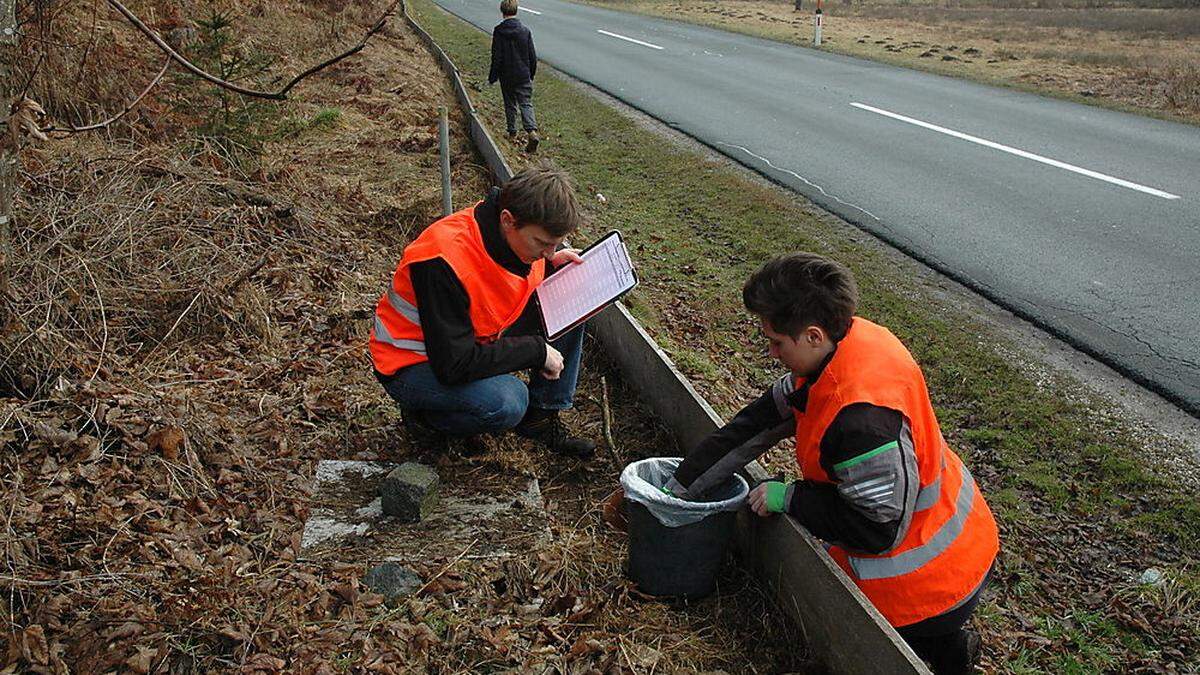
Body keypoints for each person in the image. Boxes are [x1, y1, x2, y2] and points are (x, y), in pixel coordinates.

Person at [664, 253, 999, 674]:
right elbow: (753, 426)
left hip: (929, 574)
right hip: (951, 530)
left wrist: (791, 498)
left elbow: (876, 530)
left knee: (852, 647)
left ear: (812, 335)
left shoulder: (861, 421)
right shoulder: (841, 352)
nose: (770, 352)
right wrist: (678, 489)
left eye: (776, 342)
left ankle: (940, 645)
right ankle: (948, 646)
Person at [369, 162, 595, 457]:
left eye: (555, 244)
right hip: (410, 364)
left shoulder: (517, 237)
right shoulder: (443, 260)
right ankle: (426, 419)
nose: (548, 252)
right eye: (542, 243)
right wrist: (536, 351)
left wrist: (553, 267)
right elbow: (454, 365)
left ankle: (540, 418)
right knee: (509, 400)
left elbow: (505, 279)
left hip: (469, 341)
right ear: (507, 220)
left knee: (572, 300)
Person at [488, 0, 540, 153]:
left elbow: (496, 56)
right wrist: (531, 73)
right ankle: (531, 131)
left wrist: (493, 76)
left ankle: (512, 133)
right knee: (526, 103)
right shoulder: (525, 31)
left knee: (510, 104)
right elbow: (532, 56)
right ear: (516, 10)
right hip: (523, 74)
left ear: (502, 11)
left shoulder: (498, 31)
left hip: (507, 75)